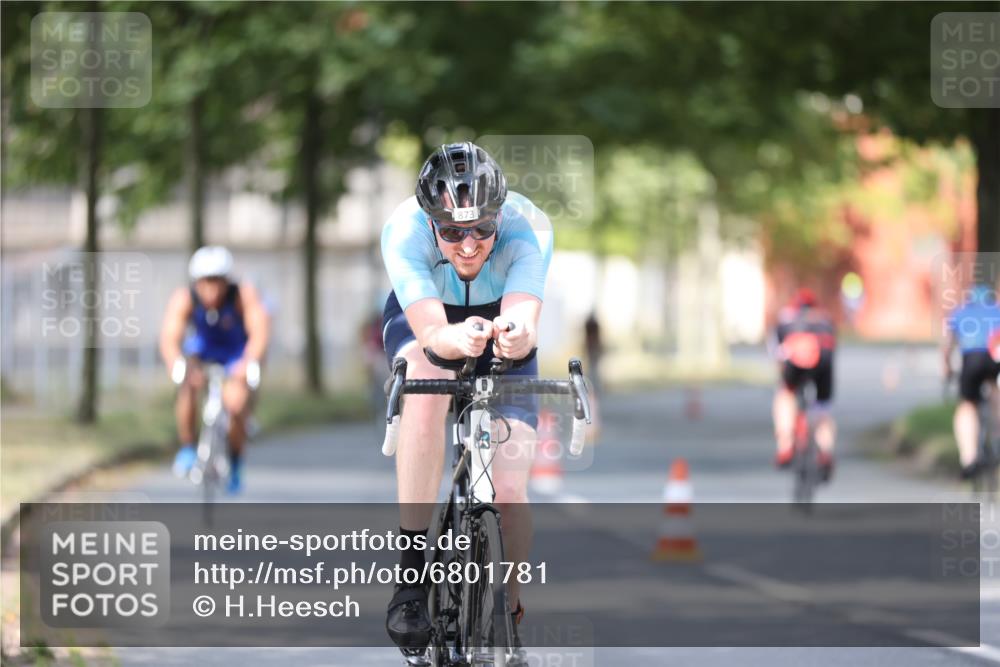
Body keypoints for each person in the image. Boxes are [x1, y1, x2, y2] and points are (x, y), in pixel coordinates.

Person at [380, 142, 552, 660]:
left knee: (509, 485)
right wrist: (449, 339)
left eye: (482, 228)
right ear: (432, 224)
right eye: (453, 232)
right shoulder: (403, 230)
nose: (469, 245)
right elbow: (431, 330)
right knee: (426, 381)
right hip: (427, 314)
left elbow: (524, 317)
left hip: (500, 313)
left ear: (500, 215)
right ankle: (411, 580)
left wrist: (517, 336)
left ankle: (510, 607)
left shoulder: (530, 227)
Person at [159, 246, 271, 494]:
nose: (211, 289)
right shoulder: (185, 298)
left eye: (217, 281)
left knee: (237, 402)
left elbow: (259, 330)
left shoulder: (243, 295)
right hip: (202, 353)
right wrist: (177, 364)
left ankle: (236, 460)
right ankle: (188, 447)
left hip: (235, 355)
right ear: (196, 282)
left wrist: (249, 363)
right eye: (205, 282)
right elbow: (170, 336)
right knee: (186, 384)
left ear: (226, 281)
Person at [770, 287, 837, 481]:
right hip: (824, 362)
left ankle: (786, 445)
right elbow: (833, 350)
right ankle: (825, 451)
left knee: (785, 395)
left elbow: (776, 352)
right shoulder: (825, 320)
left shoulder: (786, 319)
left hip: (795, 362)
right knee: (822, 408)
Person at [942, 283, 1000, 479]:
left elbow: (947, 345)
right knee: (994, 392)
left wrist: (947, 367)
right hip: (995, 358)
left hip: (972, 359)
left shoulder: (959, 312)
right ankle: (997, 440)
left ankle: (969, 458)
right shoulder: (997, 310)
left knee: (967, 405)